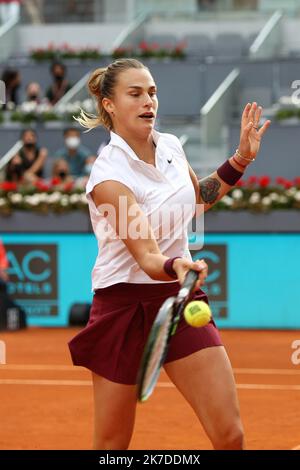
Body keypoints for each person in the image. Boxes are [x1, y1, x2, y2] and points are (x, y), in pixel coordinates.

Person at [68, 58, 270, 450]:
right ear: (109, 104)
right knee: (111, 446)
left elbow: (195, 202)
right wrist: (177, 264)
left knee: (231, 436)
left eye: (153, 92)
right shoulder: (108, 177)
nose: (149, 101)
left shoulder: (172, 146)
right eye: (136, 93)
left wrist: (241, 159)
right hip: (122, 305)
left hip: (178, 301)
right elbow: (145, 254)